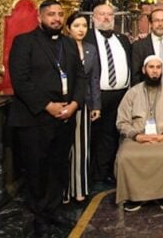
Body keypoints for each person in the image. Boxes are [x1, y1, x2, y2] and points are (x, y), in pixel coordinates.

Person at [8, 0, 86, 236]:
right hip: (35, 119)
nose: (57, 18)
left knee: (58, 166)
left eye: (60, 14)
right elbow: (20, 80)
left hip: (65, 116)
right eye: (51, 14)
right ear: (39, 17)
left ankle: (53, 211)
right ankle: (39, 217)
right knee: (37, 169)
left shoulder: (69, 43)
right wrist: (47, 106)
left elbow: (80, 77)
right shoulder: (24, 42)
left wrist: (75, 104)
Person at [114, 55, 163, 212]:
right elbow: (122, 121)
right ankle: (134, 196)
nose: (155, 71)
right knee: (125, 157)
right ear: (144, 70)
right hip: (136, 137)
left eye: (158, 67)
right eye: (151, 67)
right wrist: (136, 135)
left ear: (162, 71)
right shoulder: (132, 93)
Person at [86, 3, 132, 184]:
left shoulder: (122, 39)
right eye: (101, 14)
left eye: (109, 15)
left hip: (120, 95)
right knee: (93, 135)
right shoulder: (87, 38)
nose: (106, 18)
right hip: (96, 95)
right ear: (93, 17)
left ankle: (105, 172)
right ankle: (89, 174)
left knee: (112, 134)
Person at [64, 12, 101, 203]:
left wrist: (96, 105)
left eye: (84, 26)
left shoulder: (90, 49)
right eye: (76, 26)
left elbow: (94, 78)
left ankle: (79, 188)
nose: (81, 30)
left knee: (81, 148)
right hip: (63, 103)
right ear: (68, 28)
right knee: (64, 149)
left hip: (84, 103)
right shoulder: (61, 46)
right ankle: (64, 190)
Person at [131, 8, 163, 90]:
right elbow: (135, 75)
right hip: (149, 91)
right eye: (156, 20)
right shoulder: (139, 45)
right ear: (150, 23)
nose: (160, 24)